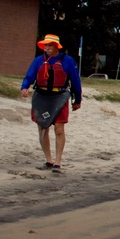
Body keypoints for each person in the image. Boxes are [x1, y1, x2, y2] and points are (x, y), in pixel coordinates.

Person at [20, 34, 82, 173]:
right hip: (41, 96)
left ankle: (57, 163)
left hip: (60, 96)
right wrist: (24, 87)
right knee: (42, 128)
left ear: (56, 47)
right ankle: (48, 160)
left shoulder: (68, 61)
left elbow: (76, 81)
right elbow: (29, 76)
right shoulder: (38, 61)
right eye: (45, 45)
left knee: (59, 129)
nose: (47, 48)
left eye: (50, 45)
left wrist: (77, 99)